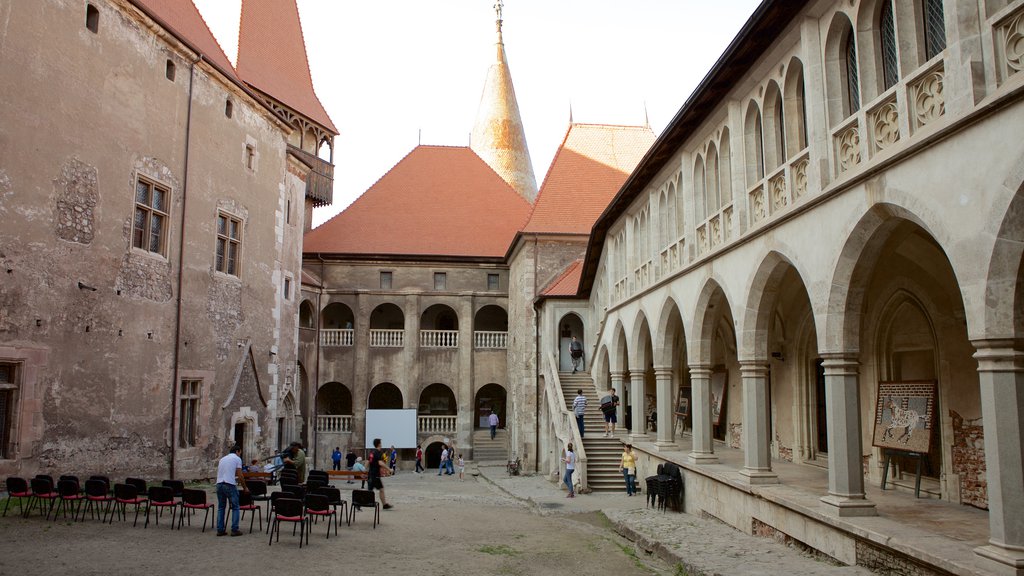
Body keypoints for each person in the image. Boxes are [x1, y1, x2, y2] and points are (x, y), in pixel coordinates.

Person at [215, 444, 247, 536]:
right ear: (237, 451)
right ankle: (234, 529)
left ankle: (220, 529)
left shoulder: (222, 459)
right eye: (240, 452)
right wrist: (245, 487)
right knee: (235, 506)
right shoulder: (237, 459)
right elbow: (240, 475)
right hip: (229, 483)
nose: (240, 454)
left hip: (219, 483)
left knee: (221, 507)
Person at [366, 438, 393, 509]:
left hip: (370, 474)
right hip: (375, 475)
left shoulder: (372, 452)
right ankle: (384, 505)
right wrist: (389, 469)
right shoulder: (378, 452)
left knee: (370, 491)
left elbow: (367, 462)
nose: (381, 444)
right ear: (379, 444)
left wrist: (364, 471)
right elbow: (380, 462)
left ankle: (358, 504)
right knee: (381, 489)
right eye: (381, 442)